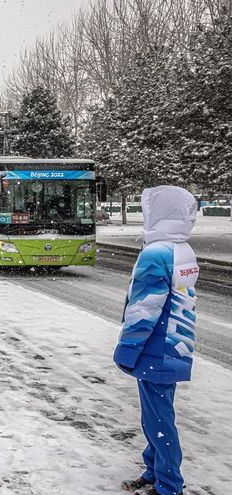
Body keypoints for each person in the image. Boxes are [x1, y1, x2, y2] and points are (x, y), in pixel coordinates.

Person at [115, 186, 199, 495]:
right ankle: (153, 471)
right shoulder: (183, 250)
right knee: (157, 414)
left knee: (159, 420)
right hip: (177, 345)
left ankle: (168, 485)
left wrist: (126, 350)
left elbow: (144, 308)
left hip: (154, 349)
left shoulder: (155, 253)